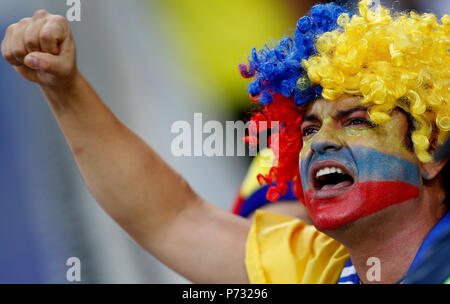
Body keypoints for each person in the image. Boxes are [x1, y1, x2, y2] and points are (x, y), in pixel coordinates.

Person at [1, 0, 449, 283]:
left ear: (431, 151)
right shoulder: (316, 269)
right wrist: (64, 88)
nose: (320, 143)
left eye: (355, 120)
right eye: (309, 129)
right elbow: (172, 218)